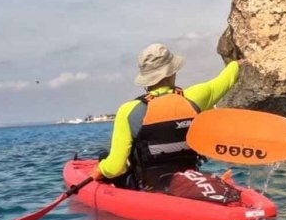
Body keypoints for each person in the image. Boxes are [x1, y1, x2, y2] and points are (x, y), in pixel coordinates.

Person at [90, 43, 241, 197]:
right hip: (189, 181)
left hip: (149, 190)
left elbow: (116, 167)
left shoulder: (129, 111)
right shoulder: (196, 97)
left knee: (105, 156)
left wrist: (100, 169)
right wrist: (237, 64)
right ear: (172, 72)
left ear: (146, 79)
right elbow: (227, 78)